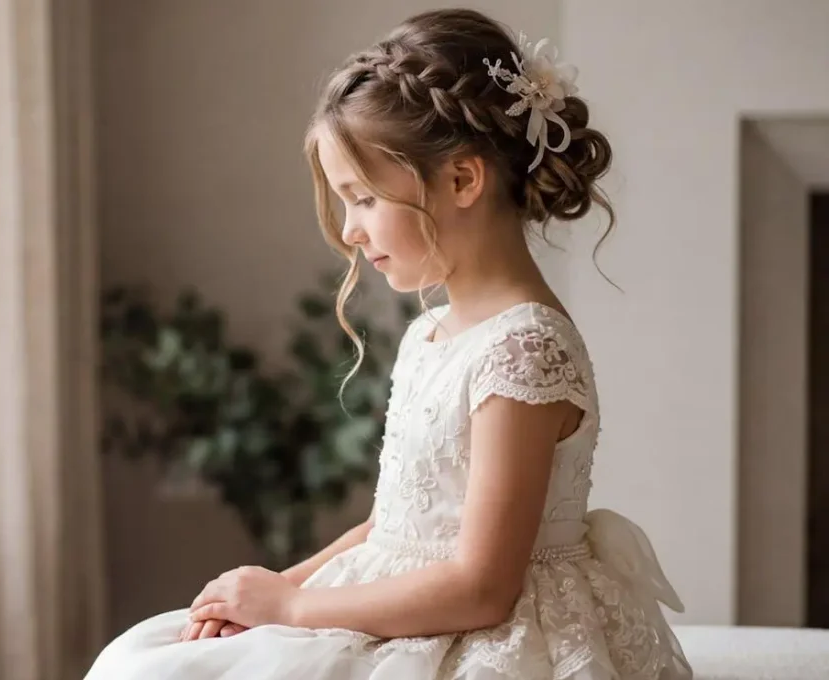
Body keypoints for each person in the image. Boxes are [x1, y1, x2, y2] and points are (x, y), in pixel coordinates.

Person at [85, 8, 693, 679]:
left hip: (476, 624)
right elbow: (390, 527)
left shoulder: (525, 348)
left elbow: (483, 587)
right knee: (146, 657)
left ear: (462, 181)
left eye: (363, 198)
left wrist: (290, 609)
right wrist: (277, 587)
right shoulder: (430, 333)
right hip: (404, 595)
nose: (348, 230)